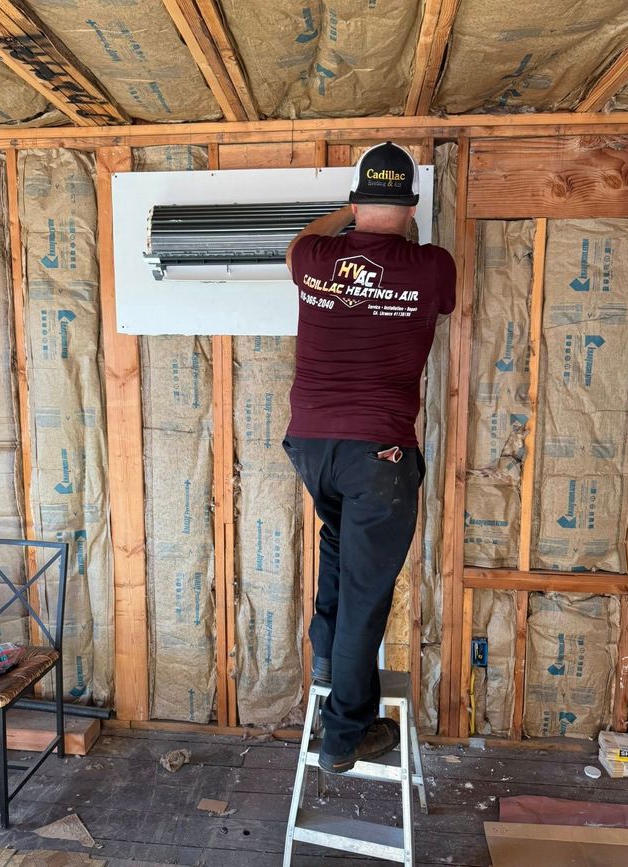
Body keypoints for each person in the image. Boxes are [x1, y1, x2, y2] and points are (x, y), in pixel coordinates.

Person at [283, 142, 456, 773]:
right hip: (376, 456)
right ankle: (343, 736)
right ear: (411, 208)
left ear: (357, 203)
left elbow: (294, 245)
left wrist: (341, 216)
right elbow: (432, 300)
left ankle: (328, 660)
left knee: (337, 545)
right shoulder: (434, 266)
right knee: (365, 594)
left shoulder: (316, 256)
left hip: (311, 446)